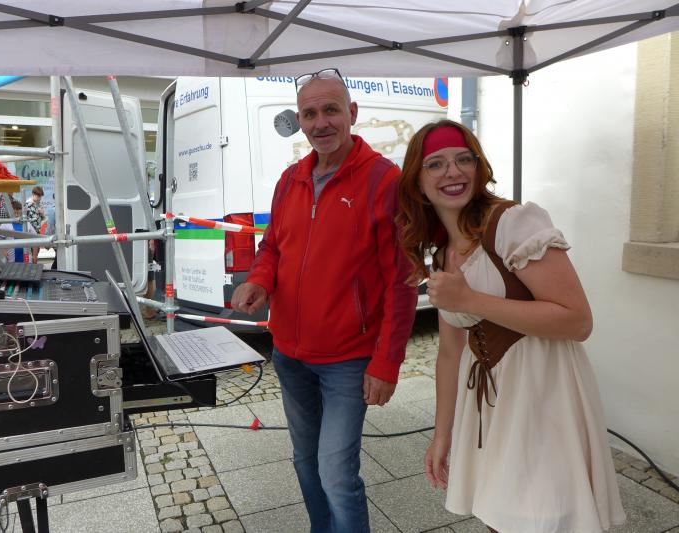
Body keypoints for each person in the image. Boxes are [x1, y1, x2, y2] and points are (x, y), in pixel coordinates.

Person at [396, 119, 625, 533]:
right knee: (502, 519)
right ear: (417, 183)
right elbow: (449, 354)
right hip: (491, 404)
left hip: (543, 393)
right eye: (436, 164)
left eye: (463, 159)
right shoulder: (443, 253)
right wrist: (442, 434)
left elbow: (578, 320)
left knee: (542, 518)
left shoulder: (513, 223)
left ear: (478, 166)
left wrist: (470, 300)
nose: (453, 171)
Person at [231, 68, 417, 533]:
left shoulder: (383, 180)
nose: (321, 123)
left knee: (336, 472)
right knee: (305, 460)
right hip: (289, 354)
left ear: (352, 112)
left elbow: (402, 282)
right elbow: (273, 247)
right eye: (310, 114)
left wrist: (386, 363)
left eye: (331, 110)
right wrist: (259, 282)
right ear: (300, 120)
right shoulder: (290, 179)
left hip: (348, 361)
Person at [24, 186, 46, 263]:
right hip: (29, 232)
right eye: (38, 196)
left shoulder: (39, 204)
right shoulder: (27, 204)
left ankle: (34, 266)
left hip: (37, 231)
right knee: (30, 254)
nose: (39, 198)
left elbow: (43, 218)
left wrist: (42, 213)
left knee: (36, 254)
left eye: (40, 196)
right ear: (33, 194)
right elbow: (24, 219)